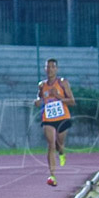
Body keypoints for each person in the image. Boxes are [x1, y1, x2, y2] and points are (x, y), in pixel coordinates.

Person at [35, 58, 75, 186]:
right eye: (48, 67)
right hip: (48, 119)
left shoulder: (63, 83)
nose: (50, 69)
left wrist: (58, 97)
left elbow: (72, 101)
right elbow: (39, 97)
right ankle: (52, 176)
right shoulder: (42, 85)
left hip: (62, 118)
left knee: (59, 144)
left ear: (56, 69)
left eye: (53, 67)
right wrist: (37, 101)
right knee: (51, 145)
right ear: (45, 69)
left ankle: (62, 152)